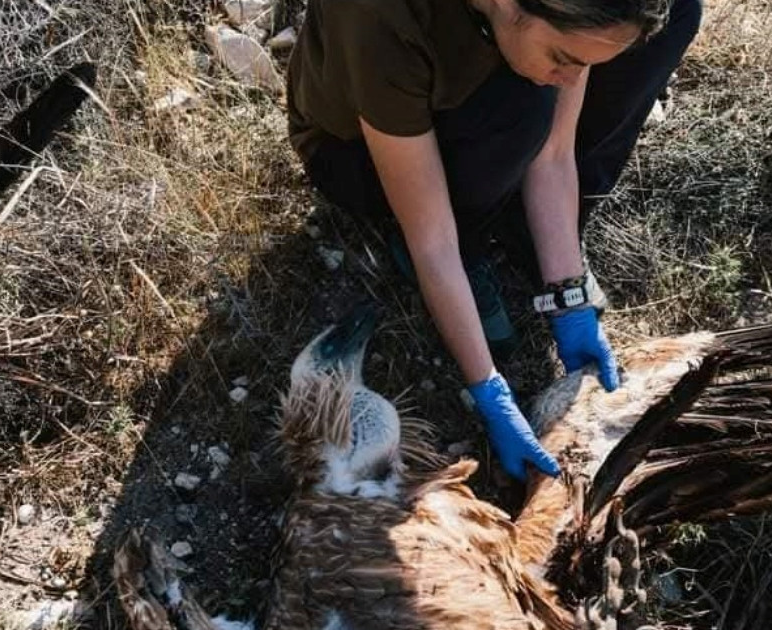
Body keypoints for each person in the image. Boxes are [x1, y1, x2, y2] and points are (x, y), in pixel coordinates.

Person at [286, 0, 702, 481]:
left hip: (487, 65)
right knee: (526, 112)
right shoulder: (382, 16)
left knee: (677, 13)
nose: (573, 80)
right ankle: (473, 237)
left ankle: (527, 226)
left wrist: (569, 296)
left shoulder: (557, 16)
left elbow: (553, 152)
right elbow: (433, 241)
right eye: (566, 59)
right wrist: (488, 387)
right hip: (353, 150)